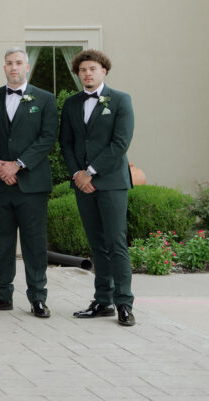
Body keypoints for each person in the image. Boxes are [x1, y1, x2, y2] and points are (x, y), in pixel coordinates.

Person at [0, 47, 56, 318]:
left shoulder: (44, 99)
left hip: (32, 184)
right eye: (9, 63)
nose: (14, 67)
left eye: (19, 63)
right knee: (3, 242)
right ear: (4, 67)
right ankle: (2, 295)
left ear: (27, 67)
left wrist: (18, 164)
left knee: (34, 243)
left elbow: (47, 137)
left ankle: (37, 298)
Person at [60, 49, 136, 326]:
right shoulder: (70, 104)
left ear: (104, 71)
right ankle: (103, 300)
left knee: (116, 243)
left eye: (92, 69)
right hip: (83, 184)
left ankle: (124, 304)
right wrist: (77, 174)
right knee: (96, 244)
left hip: (111, 182)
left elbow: (120, 143)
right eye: (82, 70)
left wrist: (91, 172)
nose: (87, 74)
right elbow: (66, 143)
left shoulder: (120, 100)